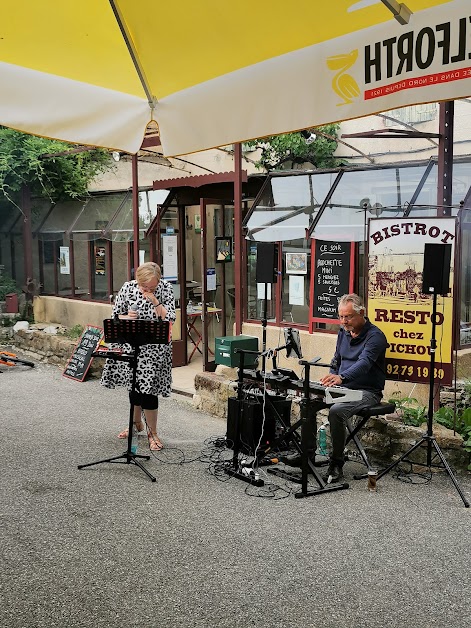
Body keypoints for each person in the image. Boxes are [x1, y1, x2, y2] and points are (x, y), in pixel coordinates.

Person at [101, 262, 176, 451]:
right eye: (144, 286)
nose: (147, 289)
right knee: (133, 387)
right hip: (132, 346)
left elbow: (170, 318)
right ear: (137, 281)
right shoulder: (128, 288)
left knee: (149, 391)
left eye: (152, 286)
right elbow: (116, 316)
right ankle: (135, 424)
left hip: (154, 348)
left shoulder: (166, 289)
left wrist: (155, 301)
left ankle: (153, 432)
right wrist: (127, 316)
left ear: (159, 281)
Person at [318, 293, 387, 483]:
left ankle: (336, 464)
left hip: (367, 392)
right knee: (310, 400)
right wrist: (331, 377)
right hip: (343, 388)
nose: (343, 321)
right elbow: (336, 360)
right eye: (340, 317)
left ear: (362, 313)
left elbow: (364, 364)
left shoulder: (376, 337)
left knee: (337, 411)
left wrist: (341, 377)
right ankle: (306, 455)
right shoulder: (343, 333)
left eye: (347, 317)